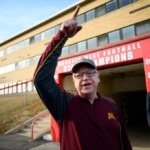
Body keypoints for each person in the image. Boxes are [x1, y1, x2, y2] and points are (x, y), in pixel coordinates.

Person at [33, 5, 132, 150]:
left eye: (90, 73)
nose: (85, 78)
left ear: (98, 77)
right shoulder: (64, 104)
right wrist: (61, 36)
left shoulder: (111, 105)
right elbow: (41, 79)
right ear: (74, 81)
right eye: (78, 75)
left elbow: (124, 142)